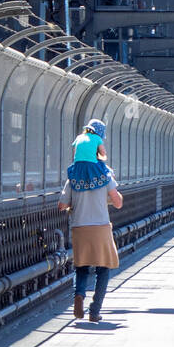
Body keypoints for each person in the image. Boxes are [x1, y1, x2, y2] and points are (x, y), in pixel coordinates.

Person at [59, 123, 122, 322]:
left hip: (79, 227)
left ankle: (79, 295)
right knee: (104, 268)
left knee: (82, 267)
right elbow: (118, 202)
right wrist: (109, 196)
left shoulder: (73, 175)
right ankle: (94, 311)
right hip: (101, 226)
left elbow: (61, 205)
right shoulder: (105, 173)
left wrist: (74, 202)